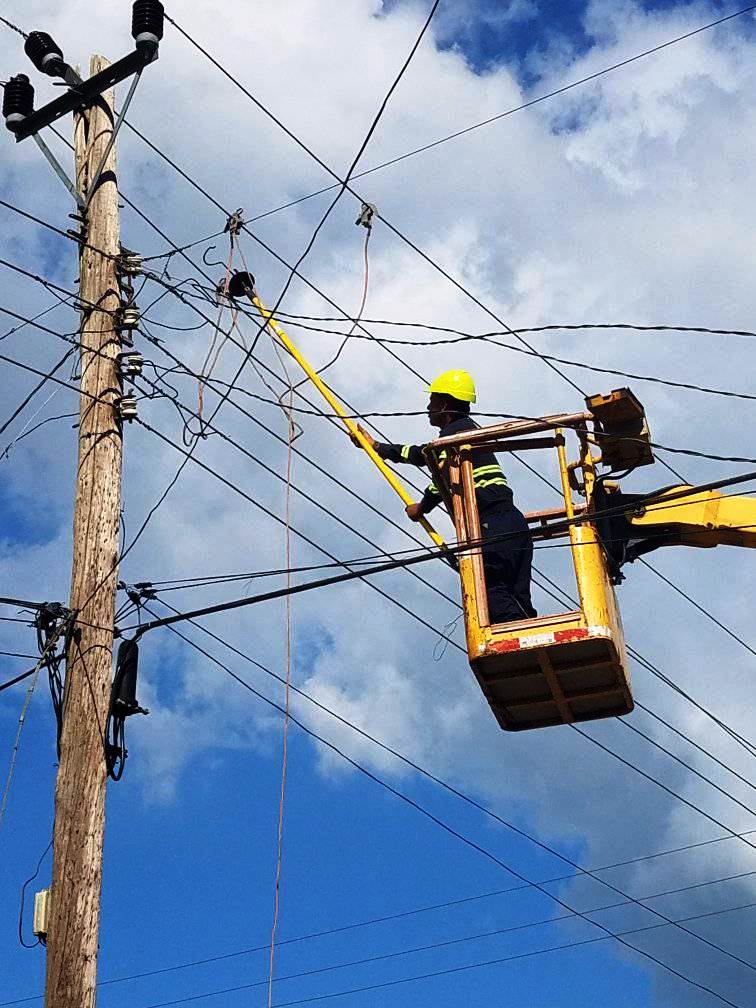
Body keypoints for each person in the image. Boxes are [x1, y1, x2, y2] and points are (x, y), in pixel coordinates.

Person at [351, 370, 536, 624]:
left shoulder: (454, 438)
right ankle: (527, 632)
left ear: (445, 404)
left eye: (432, 401)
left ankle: (516, 642)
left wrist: (422, 508)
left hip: (491, 524)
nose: (428, 407)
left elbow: (443, 478)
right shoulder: (464, 434)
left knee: (492, 592)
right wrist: (378, 448)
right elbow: (421, 454)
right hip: (514, 522)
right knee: (517, 595)